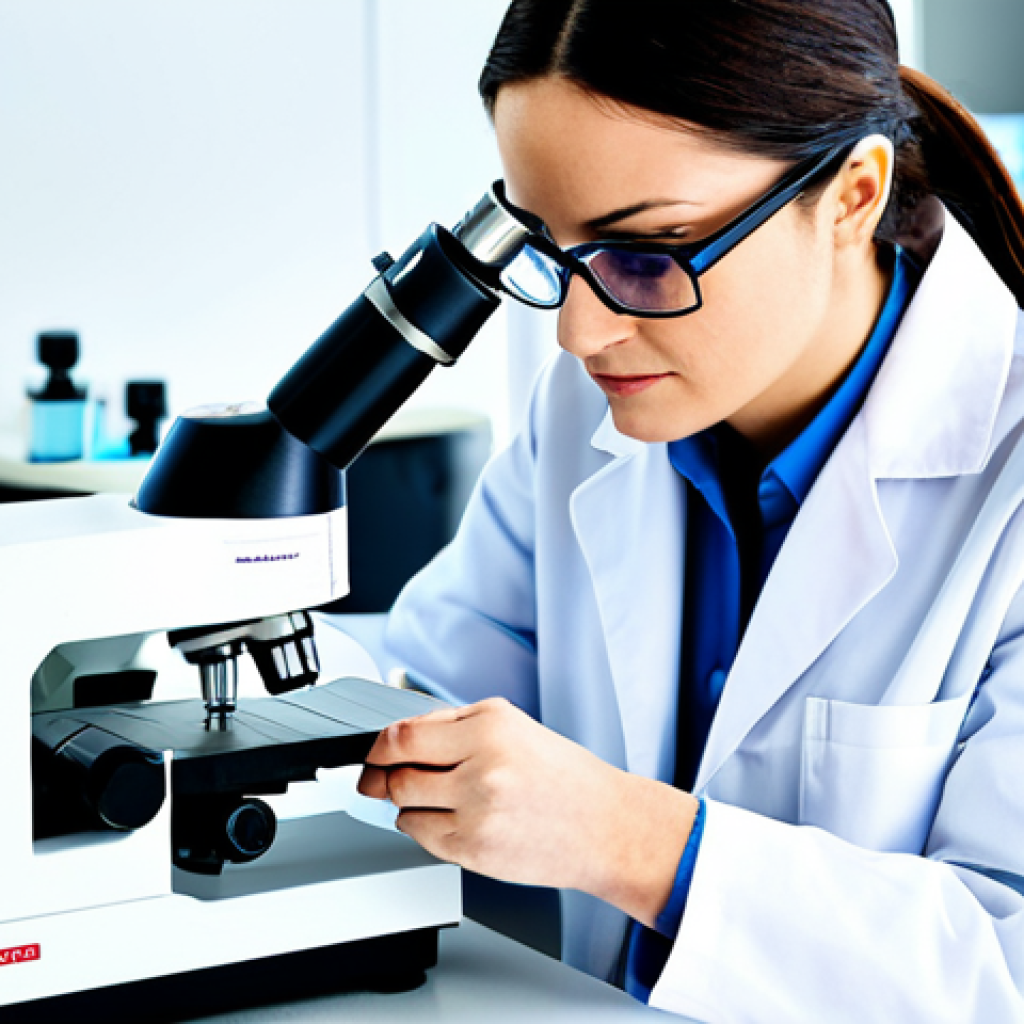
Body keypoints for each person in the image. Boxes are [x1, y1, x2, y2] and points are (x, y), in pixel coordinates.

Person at [354, 1, 1024, 1018]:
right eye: (548, 248)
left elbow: (1000, 968)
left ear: (850, 195)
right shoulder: (589, 410)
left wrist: (630, 840)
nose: (580, 332)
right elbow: (429, 702)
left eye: (645, 254)